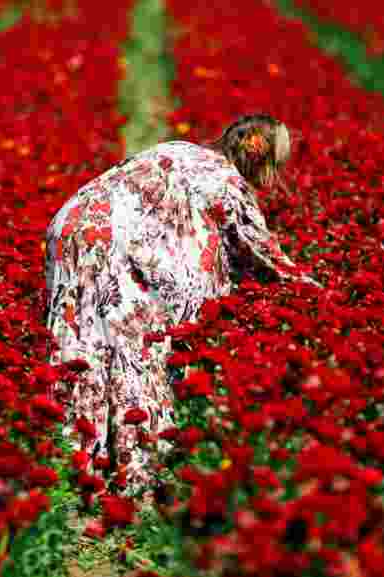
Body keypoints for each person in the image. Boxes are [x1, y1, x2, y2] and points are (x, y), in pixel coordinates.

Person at [44, 114, 319, 493]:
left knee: (82, 346)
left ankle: (69, 459)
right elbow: (261, 252)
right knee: (137, 351)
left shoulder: (181, 150)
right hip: (111, 245)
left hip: (71, 228)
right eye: (277, 164)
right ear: (259, 152)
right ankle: (134, 470)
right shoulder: (226, 181)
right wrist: (313, 290)